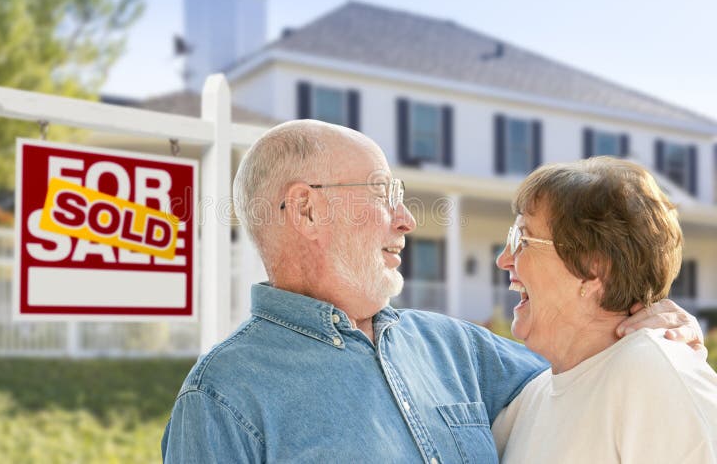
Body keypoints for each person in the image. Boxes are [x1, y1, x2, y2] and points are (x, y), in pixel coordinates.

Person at [162, 121, 704, 463]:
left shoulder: (456, 348)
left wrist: (651, 315)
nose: (405, 219)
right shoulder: (220, 401)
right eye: (383, 193)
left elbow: (589, 368)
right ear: (306, 208)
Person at [491, 156, 717, 463]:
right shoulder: (530, 399)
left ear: (594, 266)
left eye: (522, 239)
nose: (504, 259)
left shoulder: (652, 373)